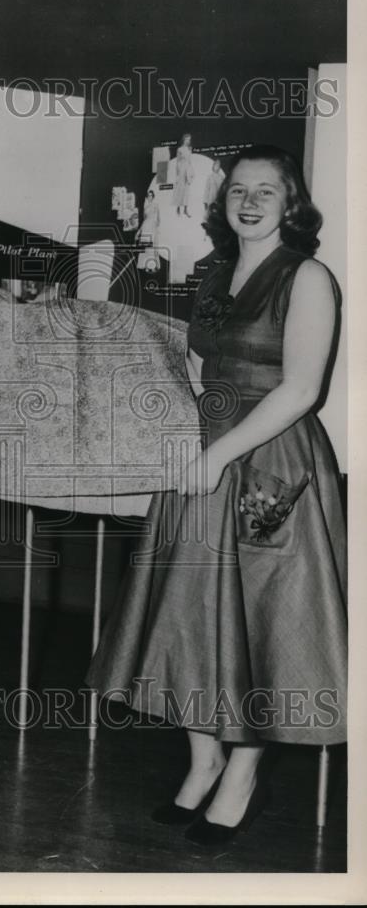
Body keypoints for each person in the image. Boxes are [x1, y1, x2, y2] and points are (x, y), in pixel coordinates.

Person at [86, 145, 347, 845]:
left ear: (291, 206)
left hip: (269, 463)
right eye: (238, 190)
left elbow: (301, 389)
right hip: (202, 456)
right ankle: (202, 761)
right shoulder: (213, 276)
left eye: (268, 191)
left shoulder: (309, 277)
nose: (251, 201)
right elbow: (195, 369)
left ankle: (243, 775)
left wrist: (219, 454)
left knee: (262, 622)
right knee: (192, 615)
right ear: (223, 202)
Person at [172, 132, 195, 217]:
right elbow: (177, 162)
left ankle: (185, 210)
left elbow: (190, 161)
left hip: (187, 170)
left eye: (190, 139)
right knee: (180, 190)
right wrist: (177, 175)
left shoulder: (189, 149)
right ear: (184, 139)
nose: (188, 141)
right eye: (187, 139)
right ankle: (178, 209)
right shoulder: (179, 149)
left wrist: (192, 171)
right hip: (181, 170)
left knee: (187, 190)